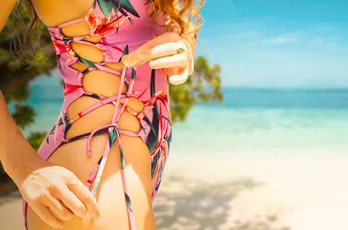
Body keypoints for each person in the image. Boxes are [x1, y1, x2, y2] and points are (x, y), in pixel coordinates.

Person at [0, 0, 202, 229]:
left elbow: (177, 19)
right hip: (92, 165)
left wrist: (184, 46)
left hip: (141, 159)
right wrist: (22, 167)